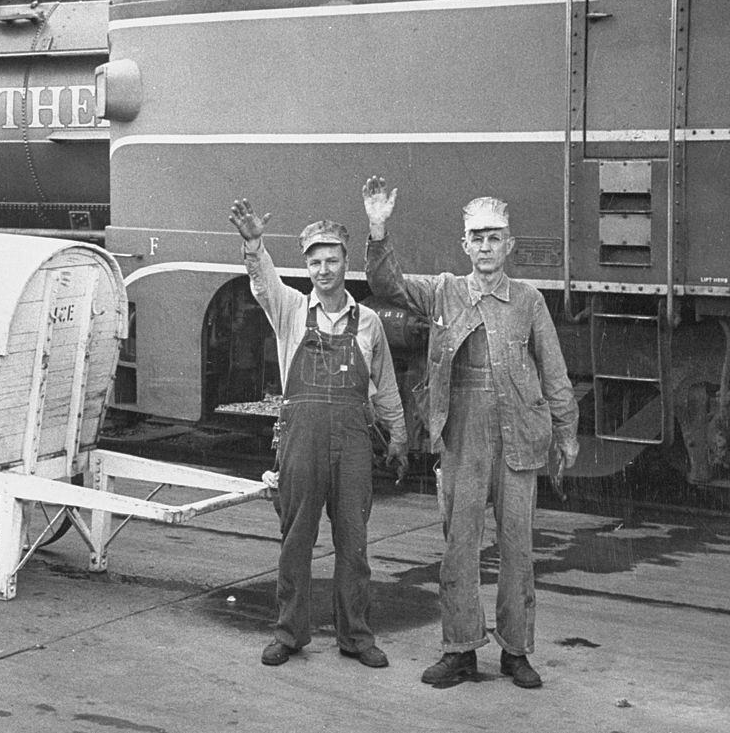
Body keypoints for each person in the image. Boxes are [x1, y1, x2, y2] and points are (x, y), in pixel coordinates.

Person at [362, 177, 578, 689]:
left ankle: (516, 652)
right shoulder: (444, 292)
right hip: (463, 436)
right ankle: (459, 650)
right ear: (464, 244)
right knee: (459, 545)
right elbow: (386, 284)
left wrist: (567, 432)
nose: (485, 245)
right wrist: (377, 225)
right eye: (476, 237)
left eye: (494, 236)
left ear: (509, 245)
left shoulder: (529, 300)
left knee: (518, 548)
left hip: (520, 435)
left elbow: (555, 372)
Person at [228, 198, 408, 668]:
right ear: (305, 266)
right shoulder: (288, 308)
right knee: (295, 540)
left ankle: (357, 637)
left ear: (346, 263)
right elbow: (263, 280)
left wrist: (401, 436)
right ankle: (289, 633)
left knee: (354, 542)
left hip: (352, 444)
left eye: (331, 260)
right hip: (301, 441)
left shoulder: (367, 322)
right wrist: (253, 243)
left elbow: (384, 385)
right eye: (314, 261)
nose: (323, 269)